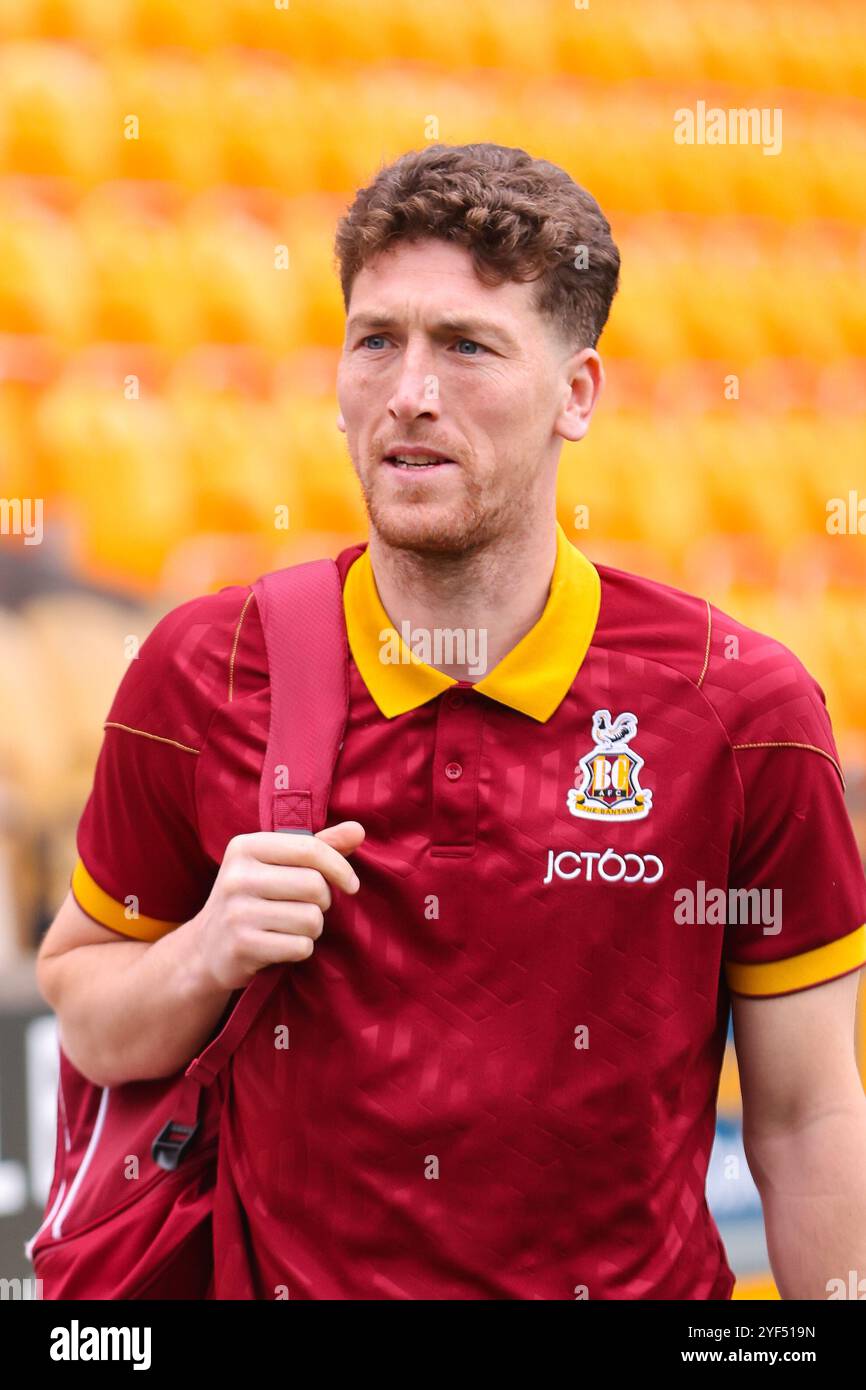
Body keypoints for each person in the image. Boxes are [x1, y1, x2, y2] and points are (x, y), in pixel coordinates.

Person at [36, 142, 866, 1300]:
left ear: (576, 393)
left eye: (466, 347)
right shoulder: (200, 669)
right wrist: (201, 954)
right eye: (376, 339)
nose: (409, 393)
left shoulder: (742, 709)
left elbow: (804, 1114)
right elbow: (87, 1017)